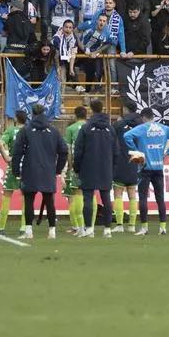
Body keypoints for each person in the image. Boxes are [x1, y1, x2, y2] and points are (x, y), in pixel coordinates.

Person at [123, 107, 169, 235]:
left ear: (143, 118)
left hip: (145, 168)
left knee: (143, 198)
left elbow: (126, 136)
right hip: (158, 168)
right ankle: (163, 227)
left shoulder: (142, 128)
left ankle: (144, 228)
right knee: (160, 198)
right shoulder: (163, 128)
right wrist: (168, 152)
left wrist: (137, 152)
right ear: (153, 116)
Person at [11, 103, 69, 240]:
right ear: (44, 113)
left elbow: (17, 151)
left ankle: (29, 231)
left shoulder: (26, 130)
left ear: (32, 113)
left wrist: (16, 170)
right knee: (49, 201)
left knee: (29, 200)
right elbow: (64, 151)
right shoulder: (54, 131)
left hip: (30, 169)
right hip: (48, 170)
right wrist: (57, 169)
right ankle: (52, 231)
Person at [73, 99, 117, 238]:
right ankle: (107, 230)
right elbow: (116, 151)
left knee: (87, 199)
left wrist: (76, 167)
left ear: (91, 110)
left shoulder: (86, 128)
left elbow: (78, 150)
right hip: (105, 167)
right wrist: (112, 166)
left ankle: (89, 229)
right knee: (106, 198)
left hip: (88, 167)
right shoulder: (110, 128)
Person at [0, 110, 28, 235]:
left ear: (16, 119)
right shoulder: (30, 131)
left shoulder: (10, 131)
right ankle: (24, 228)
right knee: (27, 198)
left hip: (14, 166)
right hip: (28, 167)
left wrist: (7, 158)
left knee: (7, 196)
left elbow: (0, 144)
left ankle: (1, 228)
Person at [112, 101, 144, 233]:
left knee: (118, 193)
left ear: (125, 109)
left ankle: (119, 225)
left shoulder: (119, 124)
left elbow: (112, 139)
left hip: (121, 160)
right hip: (135, 160)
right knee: (132, 193)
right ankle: (131, 225)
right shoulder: (141, 125)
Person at [63, 105, 89, 234]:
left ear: (75, 115)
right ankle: (89, 226)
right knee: (90, 195)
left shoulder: (70, 129)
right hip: (91, 166)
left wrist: (68, 166)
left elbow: (67, 151)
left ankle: (78, 226)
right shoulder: (91, 128)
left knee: (73, 195)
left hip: (75, 165)